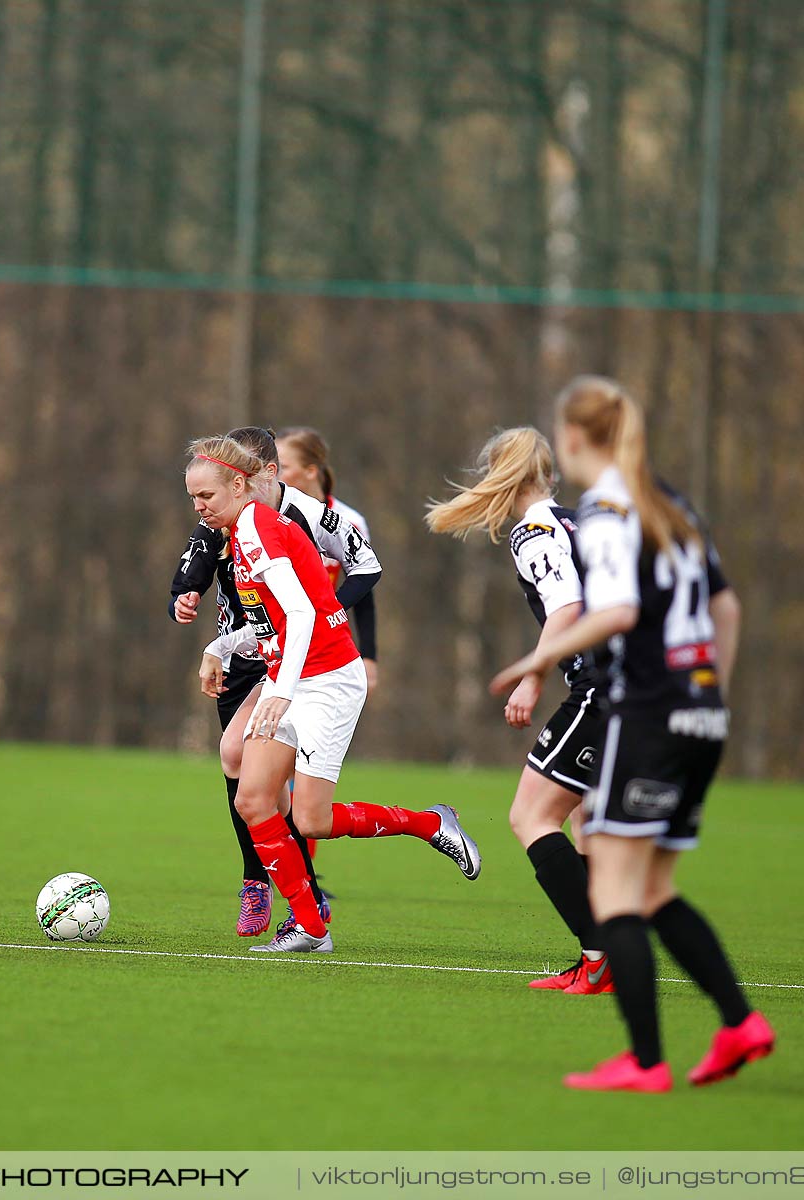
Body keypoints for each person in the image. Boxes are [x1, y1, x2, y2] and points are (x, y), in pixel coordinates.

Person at [490, 376, 774, 1092]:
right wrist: (712, 696)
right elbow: (728, 609)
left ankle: (645, 1062)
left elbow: (611, 613)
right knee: (649, 889)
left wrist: (537, 660)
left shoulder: (611, 511)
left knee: (615, 888)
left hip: (642, 710)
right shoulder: (671, 504)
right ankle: (739, 1022)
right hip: (701, 712)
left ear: (577, 439)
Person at [185, 433, 481, 952]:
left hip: (327, 680)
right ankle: (309, 927)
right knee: (254, 798)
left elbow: (301, 615)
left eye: (205, 496)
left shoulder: (259, 530)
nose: (198, 507)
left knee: (311, 820)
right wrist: (220, 645)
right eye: (192, 497)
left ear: (239, 485)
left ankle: (431, 824)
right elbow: (273, 621)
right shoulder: (241, 531)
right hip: (292, 673)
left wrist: (280, 690)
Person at [168, 427, 381, 936]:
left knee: (302, 808)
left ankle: (299, 895)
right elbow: (195, 562)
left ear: (256, 476)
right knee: (241, 768)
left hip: (305, 663)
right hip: (250, 652)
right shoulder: (225, 520)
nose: (200, 505)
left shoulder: (305, 515)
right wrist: (191, 603)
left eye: (279, 467)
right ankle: (274, 891)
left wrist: (331, 620)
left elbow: (365, 569)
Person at [425, 428, 611, 994]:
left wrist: (530, 679)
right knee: (587, 822)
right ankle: (602, 955)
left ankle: (604, 956)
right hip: (638, 685)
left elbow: (567, 608)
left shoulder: (535, 531)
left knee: (530, 817)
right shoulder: (579, 519)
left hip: (603, 688)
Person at [276, 427, 379, 692]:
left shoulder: (348, 521)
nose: (273, 475)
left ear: (311, 471)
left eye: (282, 467)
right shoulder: (267, 518)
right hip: (274, 640)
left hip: (319, 643)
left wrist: (369, 655)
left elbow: (363, 589)